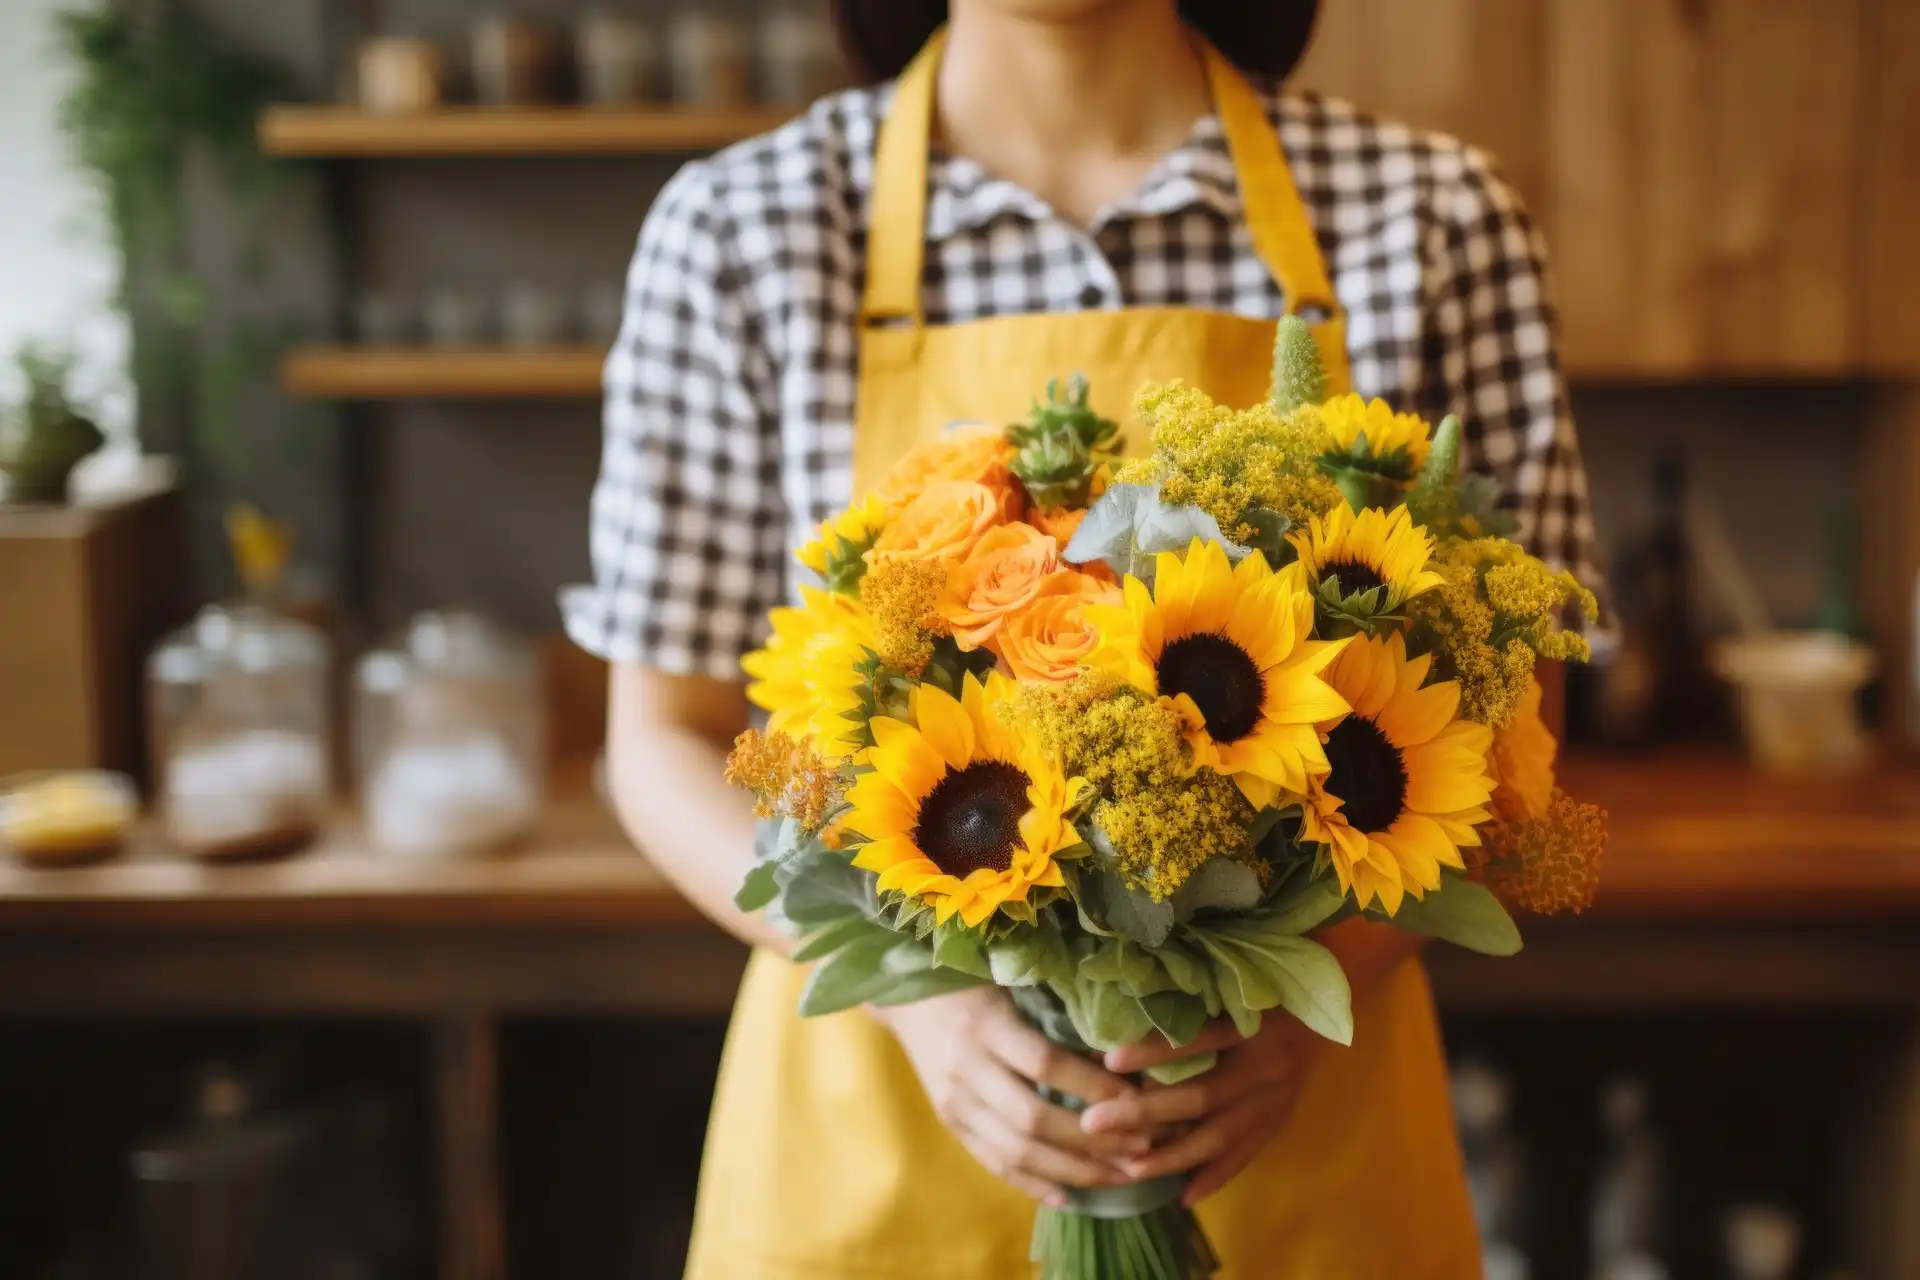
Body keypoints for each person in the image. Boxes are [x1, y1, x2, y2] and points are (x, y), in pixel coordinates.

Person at [566, 1, 1600, 1275]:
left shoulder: (1431, 217)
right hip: (880, 1147)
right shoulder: (743, 230)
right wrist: (916, 995)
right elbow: (662, 737)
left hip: (1302, 1141)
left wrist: (1303, 995)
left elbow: (1517, 715)